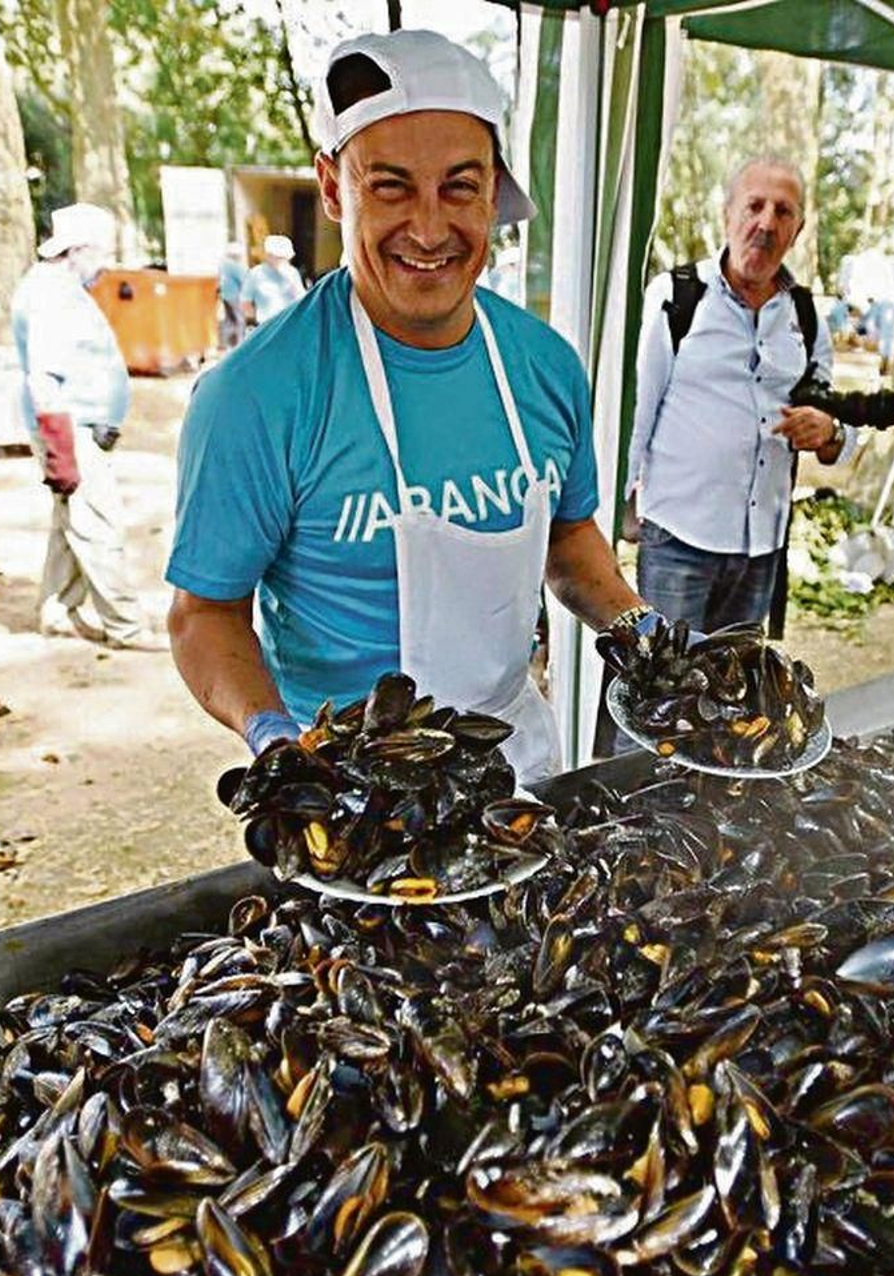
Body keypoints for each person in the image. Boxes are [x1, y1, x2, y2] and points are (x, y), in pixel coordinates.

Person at [166, 29, 658, 783]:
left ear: (495, 191)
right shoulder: (254, 396)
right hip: (349, 799)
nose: (429, 229)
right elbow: (205, 615)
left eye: (460, 186)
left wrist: (645, 633)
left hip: (516, 775)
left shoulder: (548, 366)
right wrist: (272, 740)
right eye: (390, 186)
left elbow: (568, 539)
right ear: (334, 187)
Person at [626, 156, 857, 635]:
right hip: (678, 538)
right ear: (727, 214)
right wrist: (609, 519)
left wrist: (830, 430)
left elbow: (839, 425)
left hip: (762, 551)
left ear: (798, 229)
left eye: (783, 212)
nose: (766, 223)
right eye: (754, 206)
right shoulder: (676, 297)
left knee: (736, 700)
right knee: (663, 694)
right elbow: (636, 414)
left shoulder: (806, 316)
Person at [11, 202, 166, 651]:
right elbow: (44, 375)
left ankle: (58, 608)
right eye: (100, 254)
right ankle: (125, 626)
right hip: (68, 424)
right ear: (77, 249)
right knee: (98, 523)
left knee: (71, 521)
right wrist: (61, 442)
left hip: (74, 421)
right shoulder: (52, 295)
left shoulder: (54, 288)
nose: (104, 266)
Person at [240, 234, 307, 328]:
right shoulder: (256, 273)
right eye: (279, 257)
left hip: (289, 324)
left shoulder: (292, 272)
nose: (283, 260)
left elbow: (302, 299)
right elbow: (245, 302)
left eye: (285, 257)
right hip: (265, 325)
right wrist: (254, 322)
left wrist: (292, 282)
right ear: (268, 256)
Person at [218, 241, 247, 350]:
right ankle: (240, 344)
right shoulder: (235, 266)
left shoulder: (223, 264)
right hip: (235, 295)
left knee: (229, 320)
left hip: (225, 295)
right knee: (240, 320)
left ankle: (224, 343)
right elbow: (245, 279)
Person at [860, 296, 894, 371]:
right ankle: (886, 366)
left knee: (884, 348)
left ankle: (883, 366)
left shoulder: (876, 307)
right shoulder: (892, 306)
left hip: (883, 333)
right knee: (888, 348)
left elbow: (870, 323)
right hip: (890, 332)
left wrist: (872, 335)